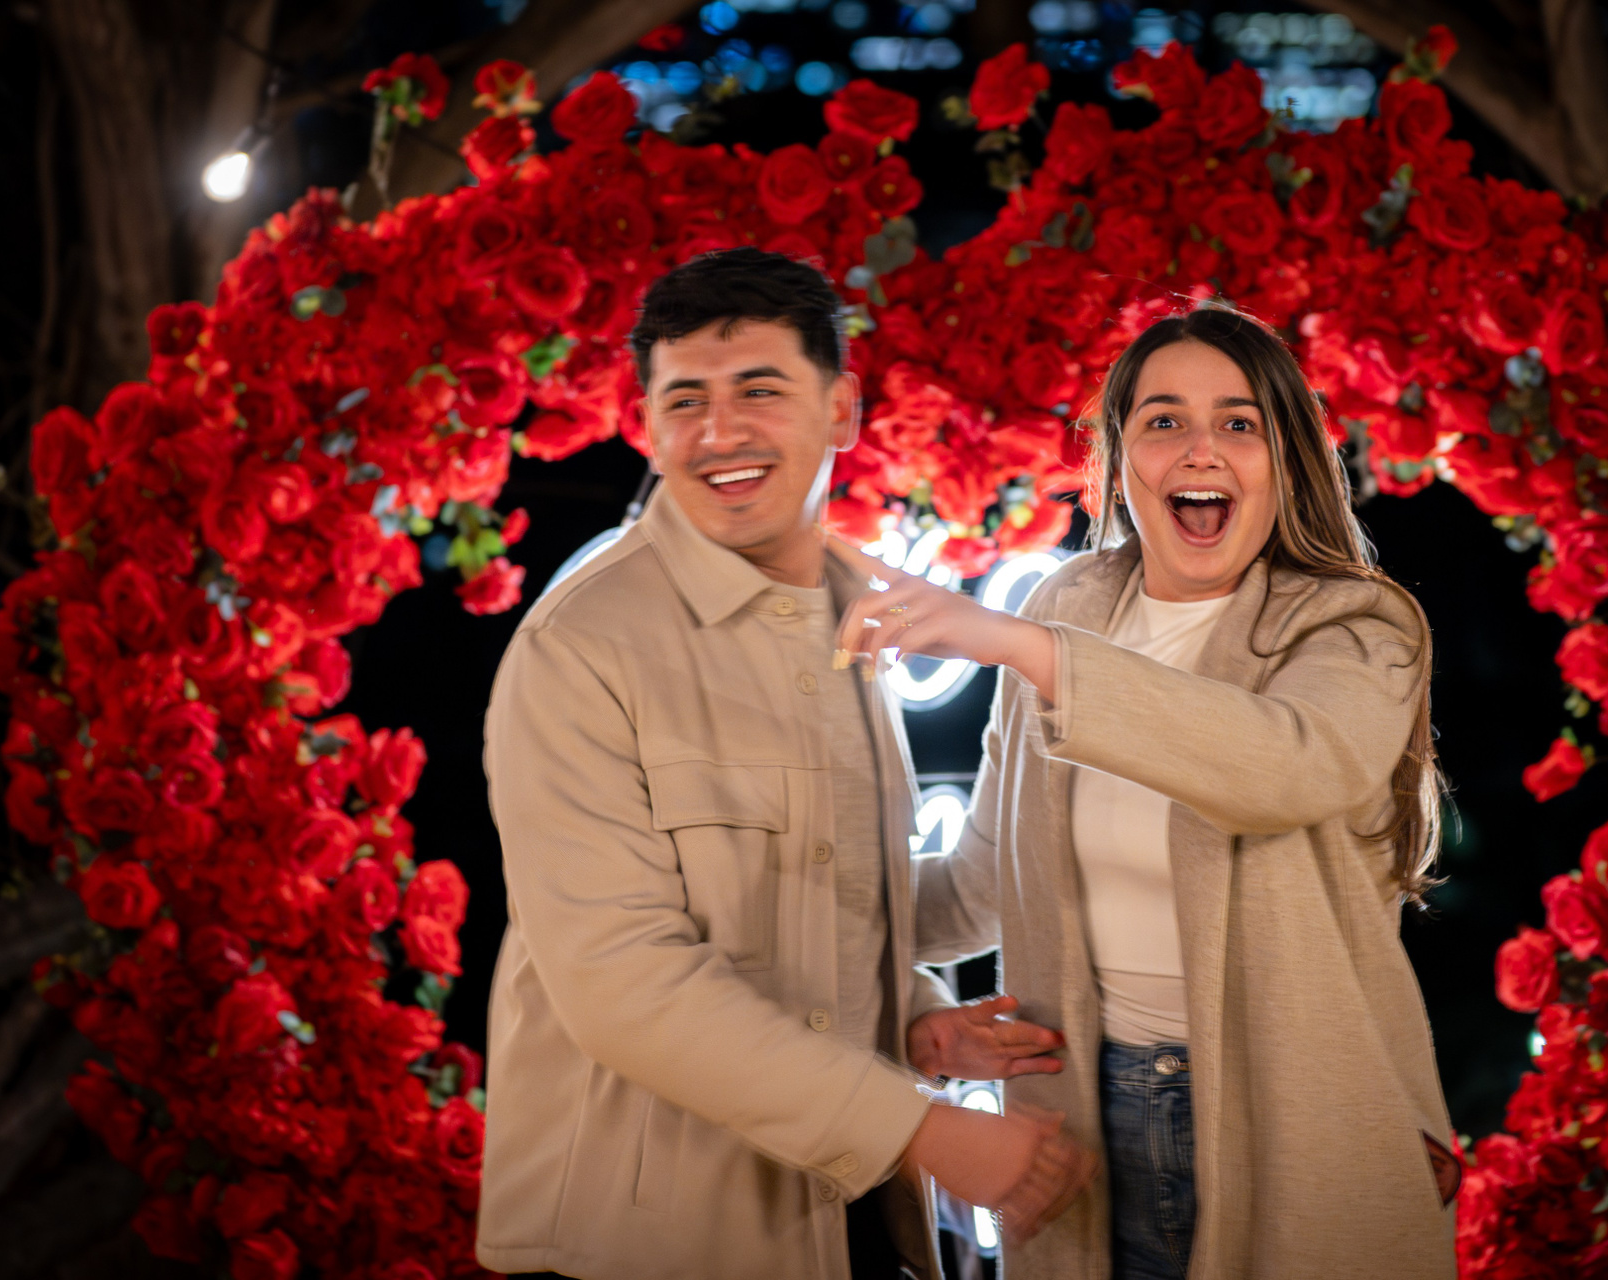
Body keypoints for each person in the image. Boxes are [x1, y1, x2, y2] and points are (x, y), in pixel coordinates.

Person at [475, 248, 1095, 1280]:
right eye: (686, 400)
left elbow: (827, 900)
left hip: (848, 1220)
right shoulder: (581, 643)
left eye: (759, 390)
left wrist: (911, 1019)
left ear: (841, 408)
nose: (720, 433)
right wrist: (921, 1128)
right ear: (648, 423)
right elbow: (623, 979)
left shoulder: (854, 613)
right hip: (649, 1238)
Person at [831, 305, 1463, 1279]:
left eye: (1239, 422)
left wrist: (1023, 647)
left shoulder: (1359, 627)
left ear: (1286, 458)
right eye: (1163, 420)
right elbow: (986, 879)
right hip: (1083, 1118)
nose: (1200, 448)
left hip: (1297, 1119)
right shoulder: (1070, 604)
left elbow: (1282, 767)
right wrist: (796, 901)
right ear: (1120, 460)